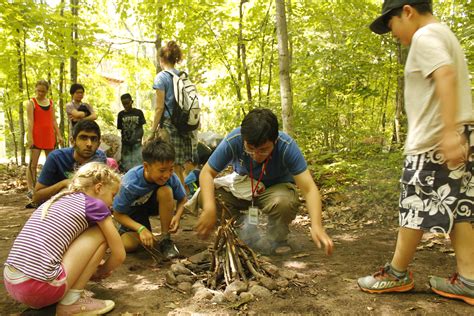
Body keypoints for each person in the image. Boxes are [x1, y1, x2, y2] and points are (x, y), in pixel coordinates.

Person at [357, 0, 474, 305]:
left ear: (407, 11)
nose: (393, 33)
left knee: (414, 206)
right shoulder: (444, 33)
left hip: (435, 140)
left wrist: (447, 131)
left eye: (392, 24)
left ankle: (396, 274)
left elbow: (445, 75)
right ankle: (469, 278)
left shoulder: (424, 36)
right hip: (461, 132)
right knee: (458, 208)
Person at [195, 108, 334, 256]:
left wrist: (317, 226)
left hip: (275, 191)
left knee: (284, 202)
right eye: (250, 149)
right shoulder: (234, 140)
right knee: (206, 196)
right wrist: (209, 208)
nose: (256, 155)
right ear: (244, 140)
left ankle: (277, 239)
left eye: (263, 150)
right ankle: (240, 231)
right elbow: (207, 173)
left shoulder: (286, 146)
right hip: (243, 188)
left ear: (275, 141)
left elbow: (309, 189)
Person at [4, 162, 126, 314]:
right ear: (99, 188)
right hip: (39, 287)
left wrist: (91, 263)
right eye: (112, 195)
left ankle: (62, 297)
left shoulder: (62, 199)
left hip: (13, 281)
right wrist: (100, 272)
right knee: (102, 233)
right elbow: (119, 254)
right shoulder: (95, 205)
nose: (112, 203)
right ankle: (71, 302)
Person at [113, 138, 187, 259]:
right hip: (133, 212)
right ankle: (123, 233)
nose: (167, 175)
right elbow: (117, 214)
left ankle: (165, 239)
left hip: (153, 205)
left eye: (171, 169)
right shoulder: (130, 184)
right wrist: (140, 229)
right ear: (146, 166)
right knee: (128, 245)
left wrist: (177, 216)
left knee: (166, 190)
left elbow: (183, 199)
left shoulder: (170, 177)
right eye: (162, 170)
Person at [149, 40, 197, 185]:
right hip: (184, 126)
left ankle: (179, 202)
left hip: (170, 126)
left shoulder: (161, 77)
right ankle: (184, 199)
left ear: (161, 59)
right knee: (179, 167)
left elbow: (159, 108)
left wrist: (152, 131)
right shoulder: (183, 76)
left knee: (172, 166)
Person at [32, 120, 107, 205]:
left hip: (89, 206)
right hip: (57, 207)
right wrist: (64, 183)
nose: (89, 144)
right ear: (72, 141)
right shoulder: (56, 158)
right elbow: (36, 197)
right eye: (83, 138)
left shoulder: (100, 158)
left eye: (93, 139)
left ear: (98, 144)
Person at [25, 79, 64, 199]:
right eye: (38, 90)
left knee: (51, 162)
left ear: (47, 91)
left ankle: (49, 187)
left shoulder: (51, 103)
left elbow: (53, 121)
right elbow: (30, 121)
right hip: (36, 135)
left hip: (49, 136)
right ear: (35, 89)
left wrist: (59, 135)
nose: (40, 93)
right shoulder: (31, 103)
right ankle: (31, 188)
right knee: (33, 164)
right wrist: (30, 137)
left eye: (43, 91)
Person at [117, 93, 146, 172]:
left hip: (137, 143)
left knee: (138, 163)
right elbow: (121, 129)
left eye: (127, 103)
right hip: (126, 143)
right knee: (125, 164)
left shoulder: (138, 112)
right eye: (124, 104)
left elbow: (141, 128)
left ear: (131, 101)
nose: (126, 105)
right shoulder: (120, 114)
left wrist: (138, 138)